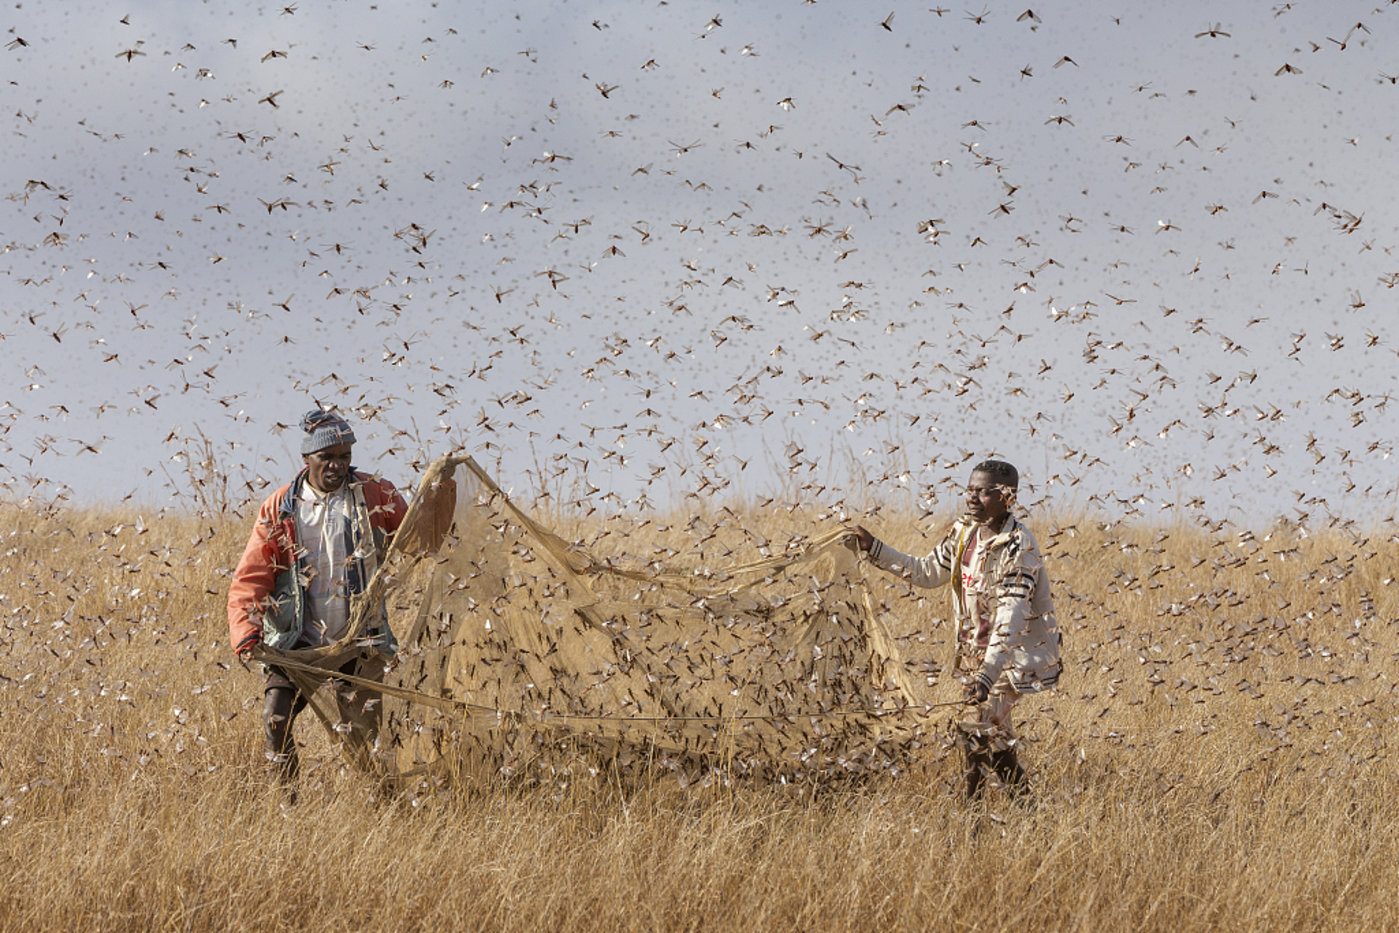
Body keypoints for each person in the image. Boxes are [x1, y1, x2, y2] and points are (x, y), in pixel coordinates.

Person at [849, 459, 1061, 801]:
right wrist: (874, 548)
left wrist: (987, 676)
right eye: (970, 489)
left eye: (984, 492)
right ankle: (1026, 811)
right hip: (972, 655)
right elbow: (928, 572)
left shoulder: (1018, 547)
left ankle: (974, 812)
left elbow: (1010, 619)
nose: (972, 498)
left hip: (1009, 658)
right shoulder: (965, 532)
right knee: (993, 735)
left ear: (1008, 497)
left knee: (977, 733)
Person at [227, 408, 407, 790]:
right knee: (276, 719)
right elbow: (252, 577)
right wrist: (246, 631)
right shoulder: (281, 508)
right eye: (327, 457)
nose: (337, 466)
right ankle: (287, 806)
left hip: (359, 639)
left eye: (344, 456)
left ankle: (386, 811)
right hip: (298, 643)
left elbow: (418, 536)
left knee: (366, 741)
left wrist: (442, 489)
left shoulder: (376, 493)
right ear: (307, 458)